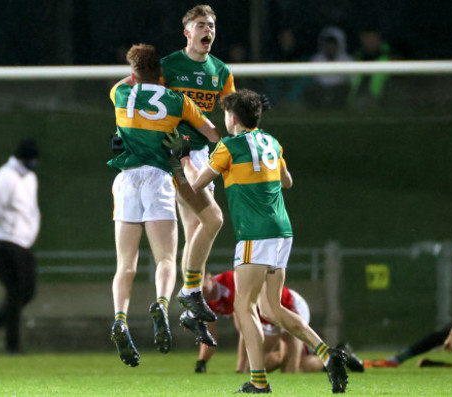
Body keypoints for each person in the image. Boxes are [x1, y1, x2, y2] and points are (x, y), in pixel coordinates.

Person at [170, 89, 348, 393]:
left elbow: (198, 184)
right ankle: (327, 354)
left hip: (256, 233)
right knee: (271, 308)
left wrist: (185, 158)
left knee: (244, 306)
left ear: (233, 118)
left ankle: (259, 381)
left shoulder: (229, 146)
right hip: (282, 231)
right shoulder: (271, 142)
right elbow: (286, 181)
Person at [107, 43, 219, 367]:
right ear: (162, 75)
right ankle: (160, 302)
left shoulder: (119, 93)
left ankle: (119, 319)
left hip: (126, 180)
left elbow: (125, 85)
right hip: (158, 178)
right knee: (166, 259)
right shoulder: (178, 100)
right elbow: (211, 133)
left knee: (125, 264)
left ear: (133, 73)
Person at [158, 4, 234, 329]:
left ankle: (191, 307)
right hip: (174, 153)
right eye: (202, 25)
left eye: (213, 25)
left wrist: (248, 110)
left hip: (199, 154)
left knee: (196, 232)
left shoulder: (221, 72)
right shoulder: (168, 66)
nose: (209, 30)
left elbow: (229, 122)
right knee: (212, 219)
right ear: (187, 32)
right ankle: (190, 292)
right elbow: (148, 105)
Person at [192, 270, 364, 375]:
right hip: (267, 317)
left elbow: (250, 334)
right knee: (287, 364)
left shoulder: (232, 283)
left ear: (211, 279)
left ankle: (337, 356)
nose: (202, 292)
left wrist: (242, 368)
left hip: (288, 308)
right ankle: (341, 356)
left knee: (289, 369)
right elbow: (214, 333)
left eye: (203, 287)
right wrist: (202, 362)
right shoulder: (205, 299)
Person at [0, 138, 40, 354]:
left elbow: (31, 210)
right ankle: (12, 344)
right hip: (1, 239)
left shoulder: (30, 178)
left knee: (26, 292)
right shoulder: (4, 177)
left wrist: (30, 236)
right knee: (15, 292)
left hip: (21, 241)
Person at [306, 26, 353, 108]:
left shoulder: (347, 60)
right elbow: (312, 81)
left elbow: (351, 82)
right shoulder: (316, 60)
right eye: (327, 44)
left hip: (340, 93)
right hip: (320, 93)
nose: (330, 47)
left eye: (333, 45)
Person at [347, 28, 393, 108]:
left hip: (382, 106)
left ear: (379, 38)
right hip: (355, 106)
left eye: (372, 37)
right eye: (366, 37)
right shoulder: (356, 58)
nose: (369, 40)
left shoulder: (391, 58)